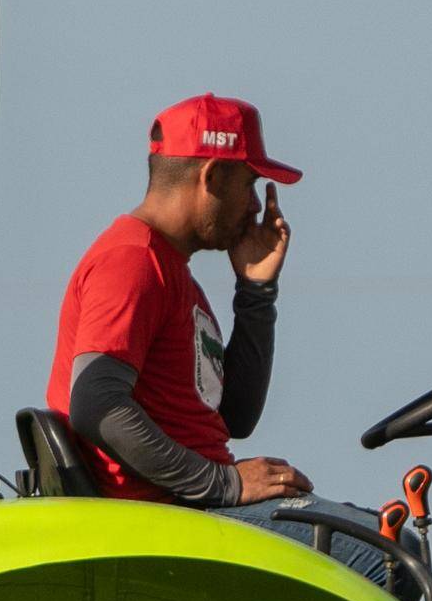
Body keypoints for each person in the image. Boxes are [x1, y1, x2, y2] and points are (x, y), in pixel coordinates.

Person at [45, 93, 310, 507]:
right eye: (249, 184)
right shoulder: (132, 261)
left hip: (196, 508)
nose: (256, 205)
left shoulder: (170, 270)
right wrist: (225, 484)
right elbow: (95, 402)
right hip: (170, 516)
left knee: (386, 536)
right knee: (385, 557)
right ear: (212, 178)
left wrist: (256, 292)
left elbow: (234, 416)